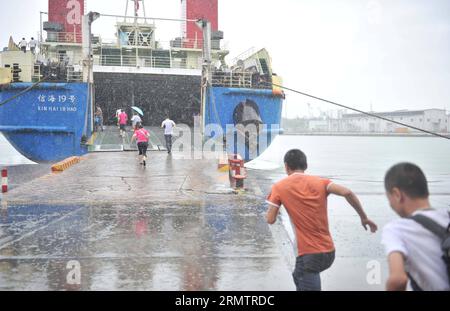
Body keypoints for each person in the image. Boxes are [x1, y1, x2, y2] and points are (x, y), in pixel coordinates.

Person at [266, 149, 378, 291]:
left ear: (286, 166)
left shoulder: (279, 187)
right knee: (298, 276)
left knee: (303, 275)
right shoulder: (322, 182)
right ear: (305, 165)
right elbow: (347, 192)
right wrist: (364, 218)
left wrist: (274, 203)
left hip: (308, 254)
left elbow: (270, 219)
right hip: (328, 252)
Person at [381, 163, 450, 291]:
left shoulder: (396, 229)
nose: (390, 204)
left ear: (397, 194)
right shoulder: (447, 216)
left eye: (388, 198)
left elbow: (398, 280)